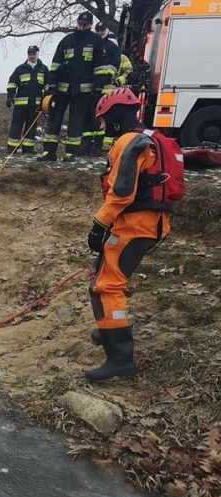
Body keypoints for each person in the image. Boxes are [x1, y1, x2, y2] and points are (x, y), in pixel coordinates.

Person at [86, 88, 184, 382]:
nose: (103, 128)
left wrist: (99, 225)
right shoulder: (149, 137)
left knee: (106, 286)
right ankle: (109, 330)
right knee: (105, 273)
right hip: (150, 222)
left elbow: (122, 192)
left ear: (115, 116)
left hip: (136, 224)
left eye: (103, 121)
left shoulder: (129, 142)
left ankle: (120, 358)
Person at [38, 11, 106, 162]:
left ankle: (70, 153)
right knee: (54, 118)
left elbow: (100, 67)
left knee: (76, 121)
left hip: (82, 89)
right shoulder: (67, 40)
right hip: (62, 88)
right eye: (80, 24)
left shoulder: (96, 41)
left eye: (85, 25)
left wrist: (98, 87)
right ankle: (49, 152)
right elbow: (55, 63)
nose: (81, 27)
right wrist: (52, 83)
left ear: (90, 25)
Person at [80, 22, 121, 156]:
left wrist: (107, 75)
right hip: (89, 87)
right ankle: (86, 145)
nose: (100, 31)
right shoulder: (91, 45)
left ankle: (97, 147)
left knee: (99, 118)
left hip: (105, 89)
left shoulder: (111, 46)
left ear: (107, 30)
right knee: (87, 118)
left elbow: (116, 63)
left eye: (102, 29)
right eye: (97, 29)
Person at [5, 45, 48, 155]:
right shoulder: (20, 69)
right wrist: (10, 96)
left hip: (36, 105)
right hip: (20, 105)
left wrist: (46, 101)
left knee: (31, 127)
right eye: (29, 54)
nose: (31, 56)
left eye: (33, 53)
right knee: (16, 125)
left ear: (37, 54)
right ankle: (12, 148)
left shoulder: (43, 69)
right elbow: (12, 82)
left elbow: (47, 87)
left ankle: (28, 149)